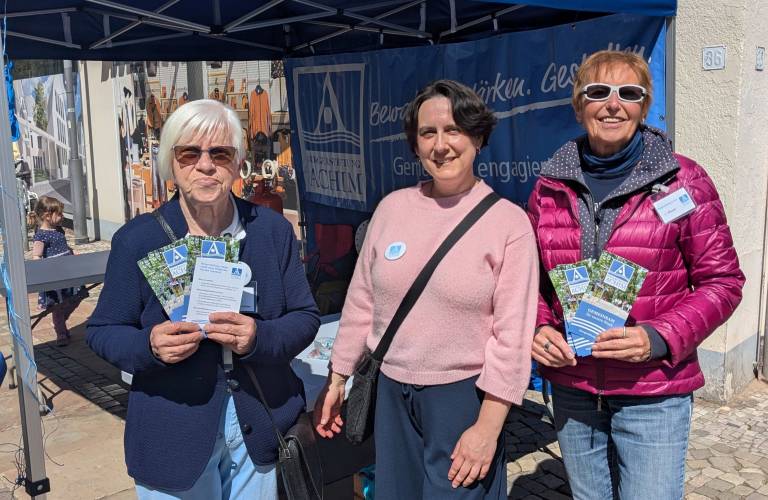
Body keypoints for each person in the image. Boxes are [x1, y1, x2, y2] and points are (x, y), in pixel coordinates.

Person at [527, 50, 745, 500]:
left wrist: (659, 337)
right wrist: (539, 326)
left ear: (644, 107)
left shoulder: (683, 180)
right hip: (573, 387)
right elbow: (532, 282)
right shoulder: (549, 187)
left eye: (628, 93)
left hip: (653, 390)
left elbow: (723, 282)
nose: (613, 104)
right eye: (598, 92)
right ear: (578, 106)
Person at [314, 79, 539, 499]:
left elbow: (512, 337)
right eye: (427, 133)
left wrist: (488, 427)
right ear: (415, 145)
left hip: (462, 397)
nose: (440, 145)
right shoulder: (391, 209)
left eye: (453, 130)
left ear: (477, 137)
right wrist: (337, 377)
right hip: (390, 392)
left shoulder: (508, 224)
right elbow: (361, 302)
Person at [86, 99, 320, 499]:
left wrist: (258, 337)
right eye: (189, 153)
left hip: (257, 426)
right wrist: (150, 346)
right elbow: (102, 330)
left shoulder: (271, 231)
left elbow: (305, 316)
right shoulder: (138, 239)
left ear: (238, 162)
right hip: (173, 432)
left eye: (220, 153)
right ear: (171, 162)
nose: (206, 165)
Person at [31, 196, 86, 347]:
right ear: (47, 216)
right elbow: (36, 255)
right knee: (57, 307)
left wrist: (72, 253)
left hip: (67, 271)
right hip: (54, 274)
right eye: (60, 214)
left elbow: (64, 247)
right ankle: (61, 332)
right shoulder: (41, 235)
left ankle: (61, 320)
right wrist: (42, 270)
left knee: (77, 296)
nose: (62, 216)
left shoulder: (59, 230)